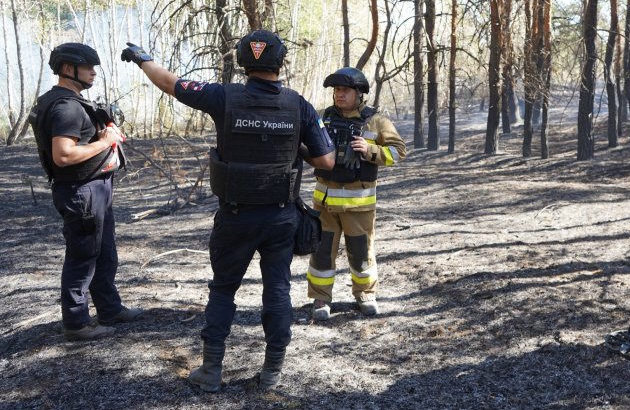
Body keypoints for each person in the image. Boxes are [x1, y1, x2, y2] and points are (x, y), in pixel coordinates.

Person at [121, 31, 334, 391]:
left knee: (223, 290)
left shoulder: (223, 96)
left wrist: (142, 58)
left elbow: (169, 83)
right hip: (281, 216)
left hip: (235, 216)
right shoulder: (298, 105)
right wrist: (292, 145)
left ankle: (211, 372)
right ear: (281, 63)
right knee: (278, 291)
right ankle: (272, 374)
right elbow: (326, 160)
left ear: (242, 61)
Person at [29, 43, 143, 342]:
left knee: (104, 253)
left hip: (94, 188)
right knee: (82, 258)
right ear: (68, 69)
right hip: (81, 192)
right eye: (88, 67)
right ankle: (76, 323)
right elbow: (63, 156)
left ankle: (110, 309)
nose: (94, 71)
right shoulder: (65, 106)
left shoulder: (66, 100)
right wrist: (105, 142)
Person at [307, 67, 406, 321]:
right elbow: (305, 143)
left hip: (359, 205)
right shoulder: (322, 118)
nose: (339, 95)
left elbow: (398, 152)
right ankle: (321, 298)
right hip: (324, 204)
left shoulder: (377, 121)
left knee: (361, 253)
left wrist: (371, 149)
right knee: (321, 252)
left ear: (359, 94)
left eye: (345, 90)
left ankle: (365, 295)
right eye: (336, 90)